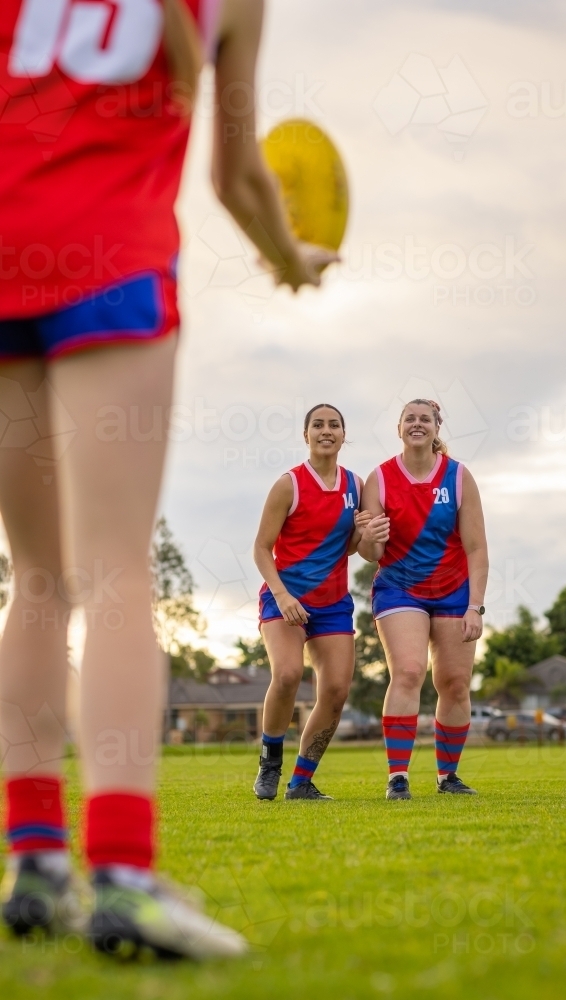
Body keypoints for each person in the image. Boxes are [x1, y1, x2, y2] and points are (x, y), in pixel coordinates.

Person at [0, 0, 337, 960]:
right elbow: (235, 177)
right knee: (112, 570)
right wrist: (292, 262)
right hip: (107, 260)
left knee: (34, 575)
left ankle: (34, 864)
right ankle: (121, 874)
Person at [357, 399, 488, 800]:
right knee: (409, 671)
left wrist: (475, 606)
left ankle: (448, 777)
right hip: (400, 587)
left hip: (454, 591)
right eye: (409, 419)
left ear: (436, 427)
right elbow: (370, 554)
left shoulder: (460, 476)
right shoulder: (378, 478)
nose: (417, 425)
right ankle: (398, 776)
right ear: (399, 429)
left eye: (424, 419)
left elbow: (477, 548)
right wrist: (370, 538)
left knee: (454, 683)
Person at [253, 404, 368, 801]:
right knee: (286, 675)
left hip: (333, 604)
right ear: (306, 435)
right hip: (284, 598)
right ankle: (269, 763)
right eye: (318, 425)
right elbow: (261, 549)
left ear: (343, 434)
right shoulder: (289, 484)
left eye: (334, 425)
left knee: (335, 692)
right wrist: (282, 596)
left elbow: (354, 547)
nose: (326, 430)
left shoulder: (356, 485)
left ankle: (301, 781)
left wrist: (369, 533)